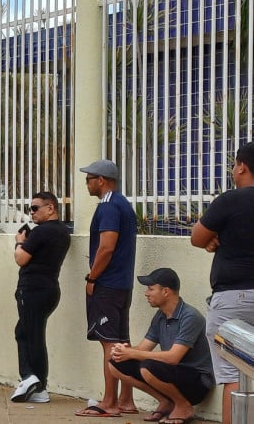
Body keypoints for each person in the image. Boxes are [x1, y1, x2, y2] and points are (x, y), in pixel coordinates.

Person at [190, 141, 254, 424]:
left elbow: (197, 237)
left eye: (234, 165)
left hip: (233, 299)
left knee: (234, 373)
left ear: (242, 166)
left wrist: (215, 239)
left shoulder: (231, 200)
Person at [109, 268, 215, 424]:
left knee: (147, 366)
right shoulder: (160, 316)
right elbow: (143, 349)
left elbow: (173, 357)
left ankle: (183, 406)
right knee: (115, 363)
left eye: (151, 289)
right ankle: (166, 402)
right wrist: (123, 351)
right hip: (172, 375)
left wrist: (133, 354)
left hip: (197, 382)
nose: (146, 293)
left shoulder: (190, 316)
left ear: (165, 291)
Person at [75, 159, 138, 418]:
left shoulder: (109, 205)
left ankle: (109, 402)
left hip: (108, 284)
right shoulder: (123, 203)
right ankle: (126, 399)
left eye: (89, 179)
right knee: (122, 343)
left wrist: (92, 278)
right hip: (122, 284)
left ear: (101, 180)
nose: (86, 183)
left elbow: (107, 246)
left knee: (110, 344)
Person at [10, 192, 71, 403]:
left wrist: (19, 242)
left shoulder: (41, 232)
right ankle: (34, 382)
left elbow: (21, 258)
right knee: (29, 333)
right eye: (30, 209)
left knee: (29, 335)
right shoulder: (63, 232)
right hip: (50, 288)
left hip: (33, 288)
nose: (32, 212)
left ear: (51, 208)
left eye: (35, 208)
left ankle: (34, 381)